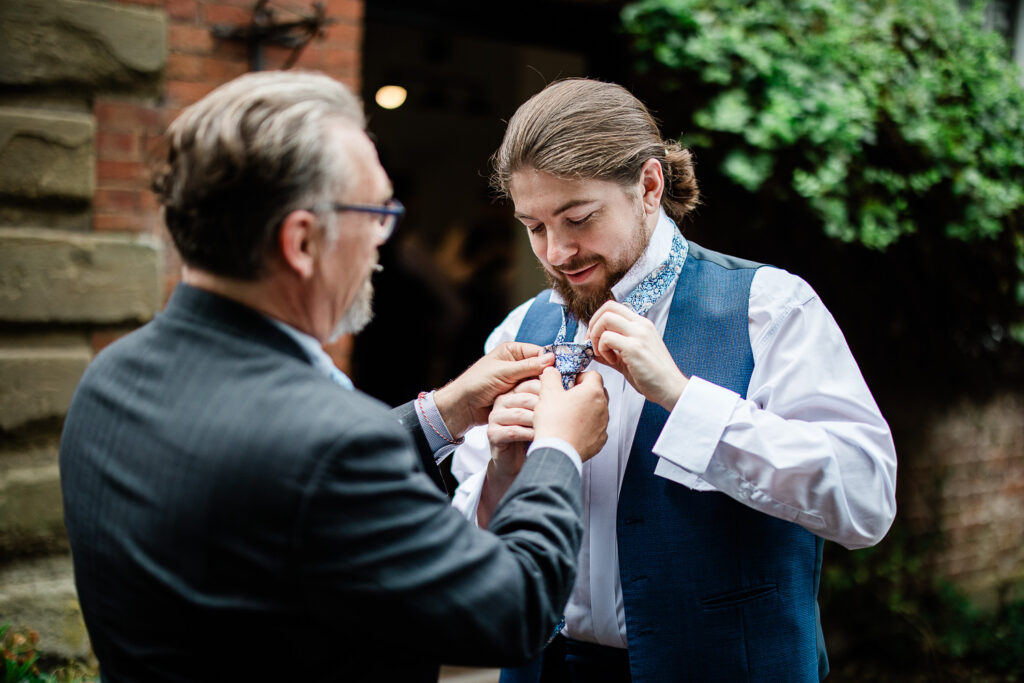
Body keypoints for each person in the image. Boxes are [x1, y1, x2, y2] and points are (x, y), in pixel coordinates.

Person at [58, 71, 610, 683]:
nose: (383, 241)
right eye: (377, 212)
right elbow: (515, 608)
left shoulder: (110, 377)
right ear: (302, 240)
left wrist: (443, 412)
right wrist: (558, 448)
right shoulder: (332, 443)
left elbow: (277, 480)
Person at [450, 78, 898, 682]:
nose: (557, 251)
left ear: (650, 186)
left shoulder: (768, 307)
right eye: (534, 227)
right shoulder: (517, 329)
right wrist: (501, 474)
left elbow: (866, 500)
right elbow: (472, 555)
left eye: (577, 218)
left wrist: (683, 399)